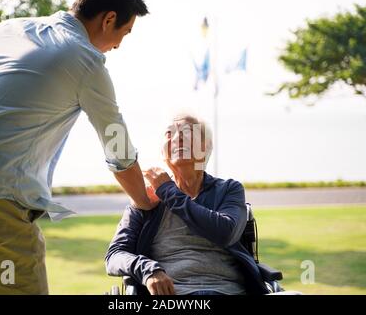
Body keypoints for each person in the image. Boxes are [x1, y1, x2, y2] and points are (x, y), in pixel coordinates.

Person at [0, 0, 156, 295]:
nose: (118, 45)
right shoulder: (86, 62)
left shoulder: (2, 31)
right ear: (108, 19)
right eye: (124, 33)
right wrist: (144, 201)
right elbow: (117, 148)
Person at [105, 113, 270, 295]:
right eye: (170, 133)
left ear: (206, 147)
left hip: (226, 291)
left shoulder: (228, 189)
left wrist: (168, 191)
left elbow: (226, 233)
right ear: (163, 151)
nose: (178, 138)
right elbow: (114, 256)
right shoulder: (145, 199)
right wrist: (148, 270)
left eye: (188, 131)